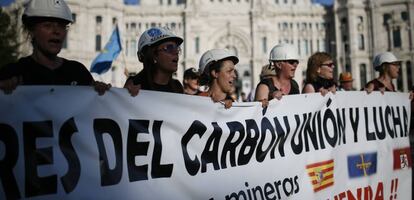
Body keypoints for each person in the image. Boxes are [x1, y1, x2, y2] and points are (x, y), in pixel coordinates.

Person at [0, 0, 110, 94]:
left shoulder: (78, 72)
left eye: (62, 26)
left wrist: (101, 93)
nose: (56, 31)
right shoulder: (13, 73)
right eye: (48, 25)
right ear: (31, 31)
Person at [124, 27, 183, 96]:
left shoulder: (177, 87)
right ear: (153, 55)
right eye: (169, 48)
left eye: (177, 48)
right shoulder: (134, 85)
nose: (176, 52)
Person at [254, 43, 300, 107]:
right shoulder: (265, 86)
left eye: (297, 62)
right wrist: (270, 98)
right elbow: (256, 111)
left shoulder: (294, 85)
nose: (295, 65)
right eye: (291, 62)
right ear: (279, 65)